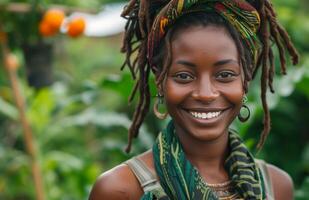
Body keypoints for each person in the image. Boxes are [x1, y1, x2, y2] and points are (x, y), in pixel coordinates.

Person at [89, 0, 299, 199]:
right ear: (160, 80)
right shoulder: (121, 189)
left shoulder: (275, 186)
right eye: (184, 76)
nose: (206, 93)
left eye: (225, 75)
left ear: (245, 79)